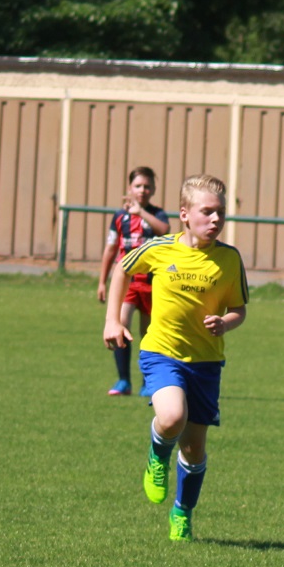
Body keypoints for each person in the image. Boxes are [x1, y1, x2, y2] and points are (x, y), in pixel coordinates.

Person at [105, 174, 247, 542]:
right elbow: (122, 268)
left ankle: (182, 512)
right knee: (171, 417)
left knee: (195, 448)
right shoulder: (161, 248)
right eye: (207, 213)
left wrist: (225, 323)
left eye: (220, 214)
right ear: (185, 214)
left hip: (206, 363)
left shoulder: (229, 260)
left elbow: (239, 309)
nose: (215, 220)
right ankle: (157, 455)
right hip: (162, 353)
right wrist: (112, 321)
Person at [95, 166, 170, 396]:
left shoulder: (157, 214)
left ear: (154, 189)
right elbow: (110, 248)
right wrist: (102, 281)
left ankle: (148, 382)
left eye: (147, 186)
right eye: (138, 186)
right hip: (127, 283)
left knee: (149, 334)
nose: (143, 190)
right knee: (121, 325)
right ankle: (123, 381)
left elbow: (165, 230)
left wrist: (141, 213)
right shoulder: (119, 217)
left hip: (152, 283)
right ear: (130, 188)